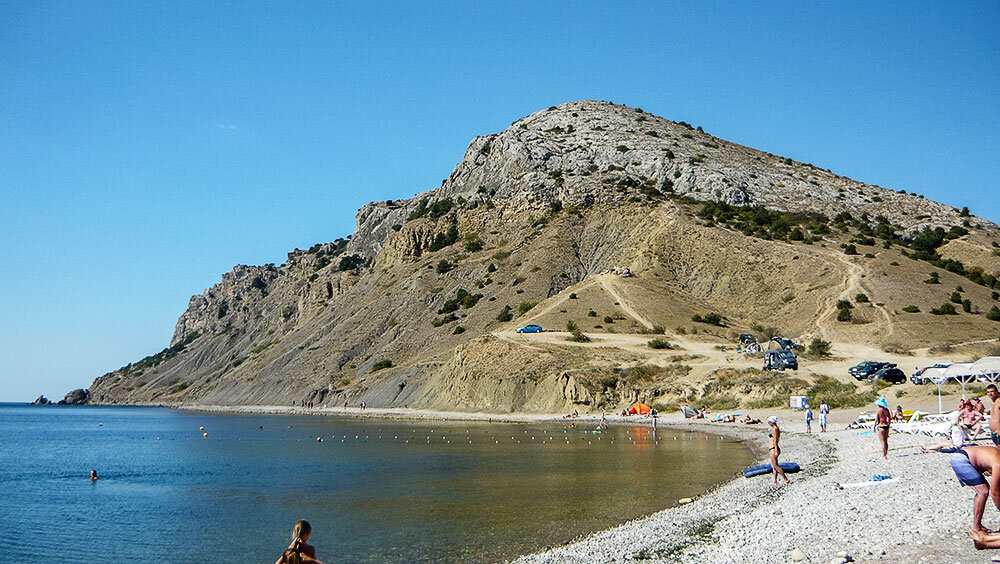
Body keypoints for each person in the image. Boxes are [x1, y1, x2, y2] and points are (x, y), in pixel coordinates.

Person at [948, 446, 1000, 548]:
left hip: (962, 455)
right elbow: (995, 493)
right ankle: (976, 529)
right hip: (962, 459)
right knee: (983, 491)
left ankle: (978, 527)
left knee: (983, 490)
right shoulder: (999, 464)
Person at [767, 416, 789, 485]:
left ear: (771, 422)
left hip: (773, 448)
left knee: (775, 465)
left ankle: (785, 479)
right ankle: (774, 481)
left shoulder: (775, 429)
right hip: (772, 448)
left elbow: (775, 441)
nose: (768, 423)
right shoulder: (775, 429)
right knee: (773, 466)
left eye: (769, 422)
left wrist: (776, 450)